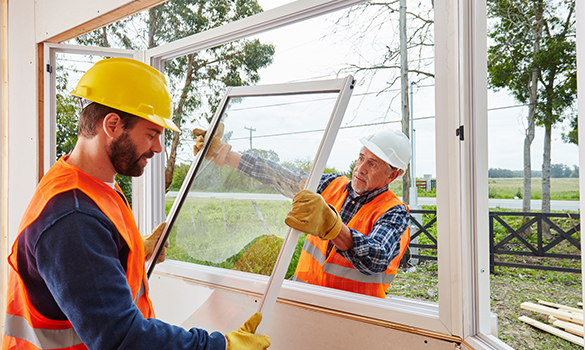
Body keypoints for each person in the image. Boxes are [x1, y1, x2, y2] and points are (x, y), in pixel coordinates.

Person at [2, 58, 270, 350]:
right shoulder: (72, 217)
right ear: (113, 125)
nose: (157, 147)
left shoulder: (90, 184)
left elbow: (85, 268)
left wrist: (134, 251)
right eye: (152, 134)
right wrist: (220, 347)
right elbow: (121, 338)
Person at [193, 124, 411, 298]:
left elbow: (376, 257)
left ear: (393, 175)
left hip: (352, 317)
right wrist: (224, 155)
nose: (360, 168)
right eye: (361, 157)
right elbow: (280, 176)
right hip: (305, 300)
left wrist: (333, 227)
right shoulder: (330, 186)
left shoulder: (394, 213)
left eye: (372, 164)